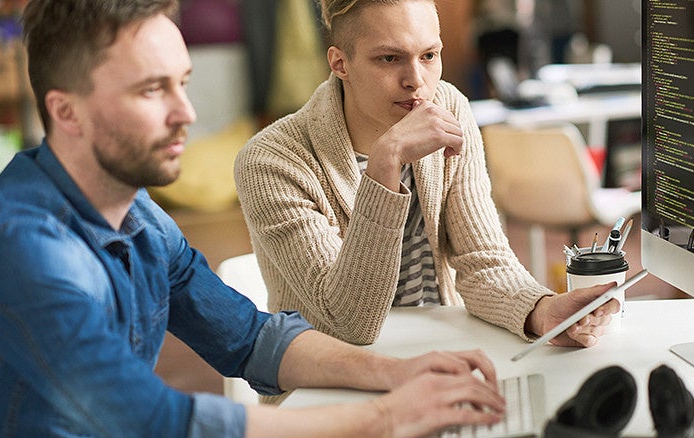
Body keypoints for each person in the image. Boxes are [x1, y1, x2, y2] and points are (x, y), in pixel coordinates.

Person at [0, 0, 508, 436]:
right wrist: (383, 416)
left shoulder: (137, 215)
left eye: (182, 83)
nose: (186, 113)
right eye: (151, 90)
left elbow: (250, 339)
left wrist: (397, 372)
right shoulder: (23, 246)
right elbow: (155, 419)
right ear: (66, 112)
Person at [234, 0, 620, 347]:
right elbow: (348, 322)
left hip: (434, 354)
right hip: (325, 380)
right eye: (389, 59)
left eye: (429, 55)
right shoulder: (270, 162)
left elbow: (483, 261)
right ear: (340, 63)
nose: (416, 81)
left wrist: (542, 311)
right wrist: (386, 163)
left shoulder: (448, 106)